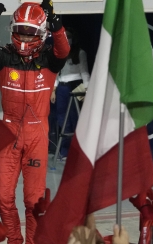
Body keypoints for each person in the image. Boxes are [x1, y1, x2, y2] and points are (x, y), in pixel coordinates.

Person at [0, 0, 70, 244]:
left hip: (37, 135)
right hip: (8, 133)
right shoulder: (5, 58)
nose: (25, 37)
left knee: (33, 200)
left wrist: (58, 26)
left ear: (41, 33)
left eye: (31, 32)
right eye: (21, 31)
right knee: (2, 194)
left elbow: (63, 49)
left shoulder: (50, 60)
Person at [50, 27, 90, 160]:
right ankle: (65, 151)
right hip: (62, 87)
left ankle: (78, 151)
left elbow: (84, 71)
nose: (67, 39)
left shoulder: (80, 53)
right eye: (65, 36)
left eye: (69, 36)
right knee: (62, 118)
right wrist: (53, 90)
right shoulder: (58, 53)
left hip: (76, 86)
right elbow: (55, 72)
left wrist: (87, 89)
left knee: (75, 117)